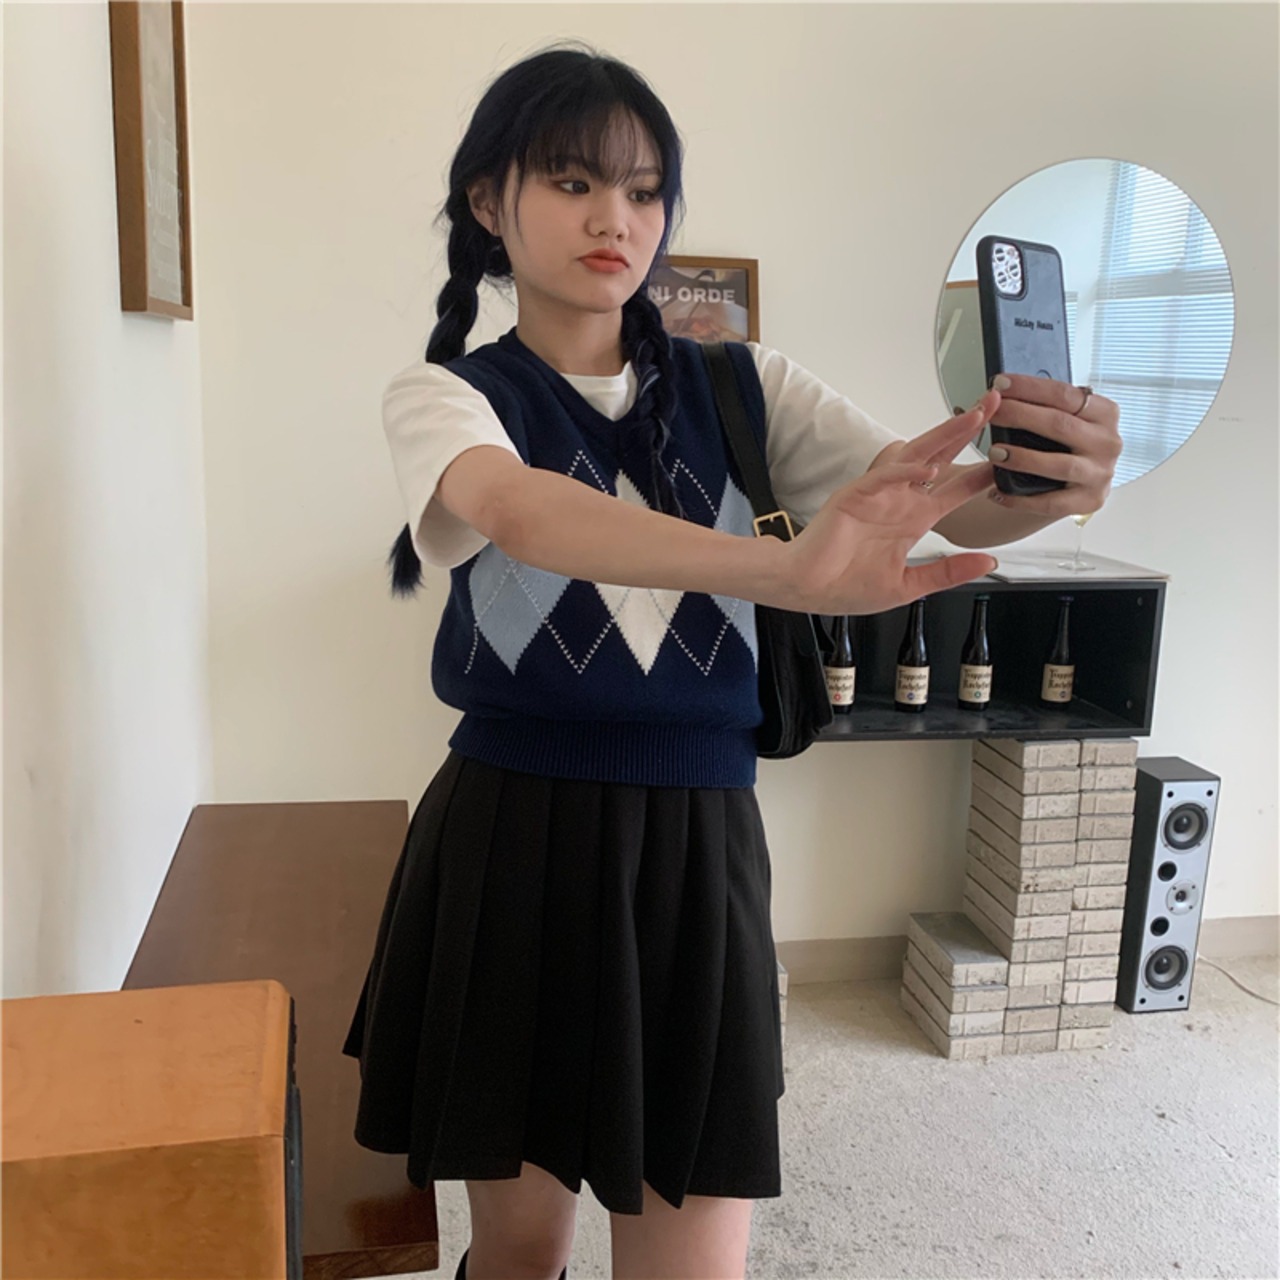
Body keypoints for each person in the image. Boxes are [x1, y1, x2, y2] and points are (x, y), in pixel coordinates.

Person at [341, 42, 1121, 1280]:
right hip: (510, 844)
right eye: (571, 181)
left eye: (644, 189)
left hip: (697, 849)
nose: (615, 218)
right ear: (488, 200)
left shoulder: (747, 389)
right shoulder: (446, 396)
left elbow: (941, 507)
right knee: (519, 1252)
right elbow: (522, 508)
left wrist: (1047, 484)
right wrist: (783, 570)